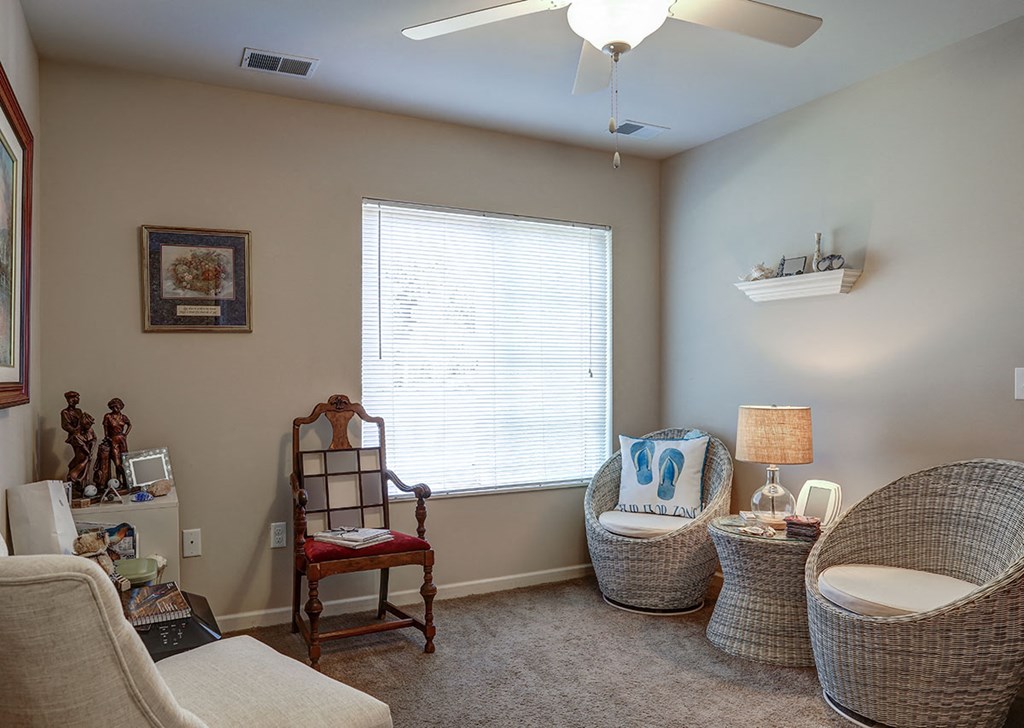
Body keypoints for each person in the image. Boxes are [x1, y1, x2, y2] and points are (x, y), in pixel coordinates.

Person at [103, 398, 132, 486]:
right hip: (113, 440)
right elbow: (106, 429)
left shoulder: (123, 417)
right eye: (114, 407)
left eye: (118, 406)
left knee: (124, 460)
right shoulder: (108, 416)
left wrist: (125, 434)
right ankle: (126, 478)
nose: (116, 408)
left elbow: (130, 425)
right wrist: (107, 437)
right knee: (117, 461)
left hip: (122, 440)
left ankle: (121, 481)